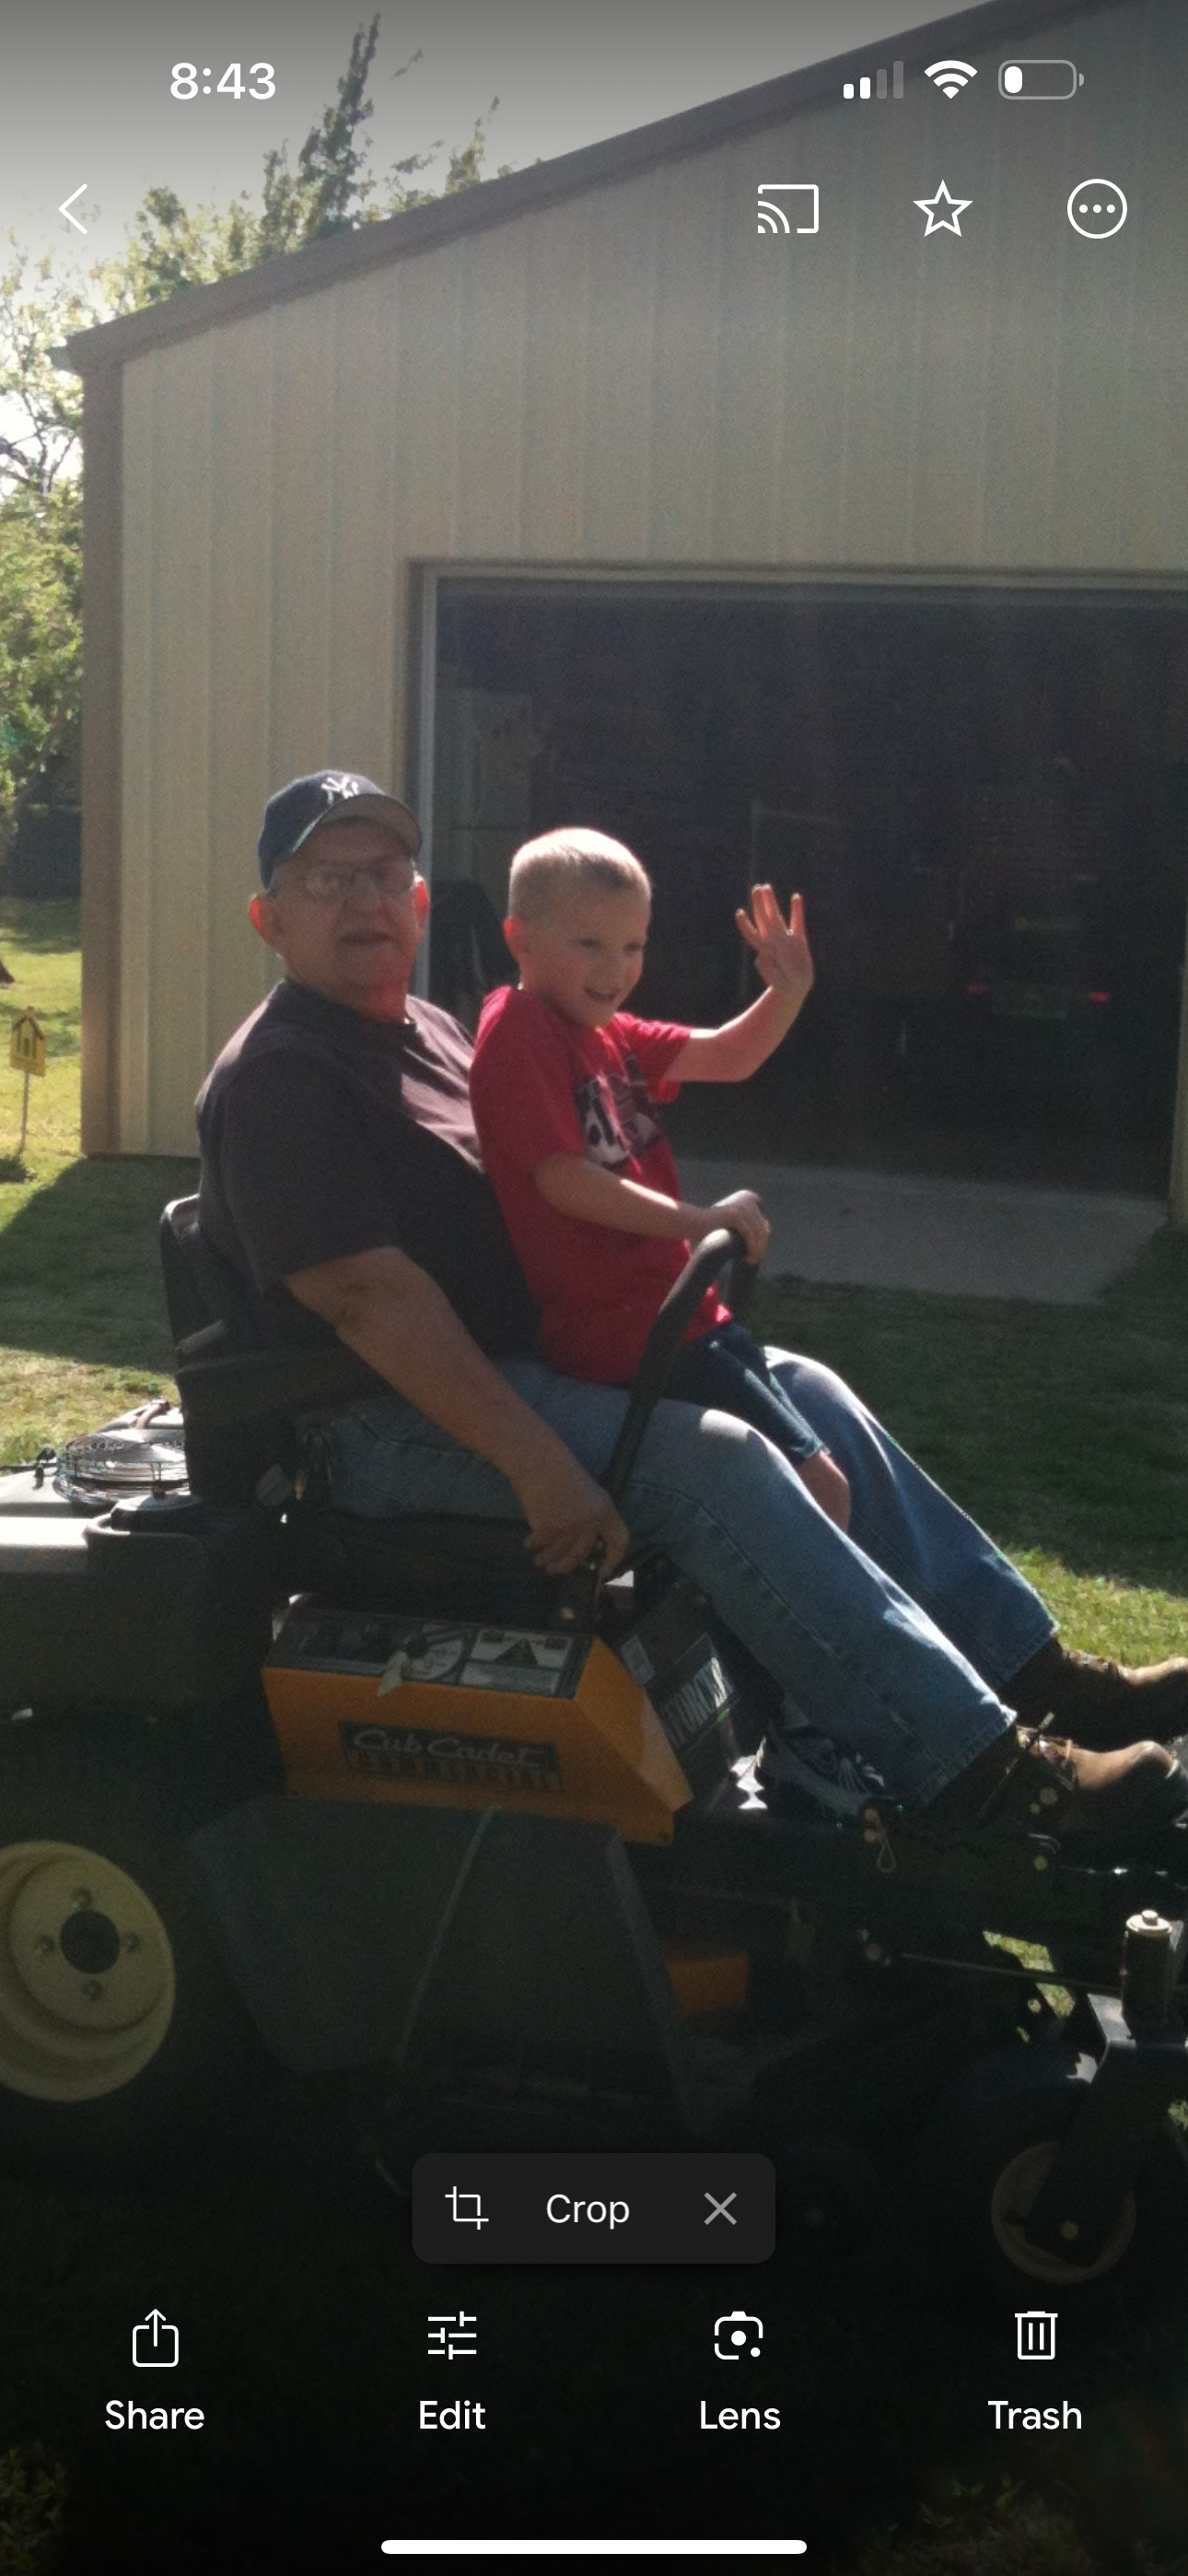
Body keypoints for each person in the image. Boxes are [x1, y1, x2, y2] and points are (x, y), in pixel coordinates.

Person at [195, 768, 1188, 1848]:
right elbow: (370, 1301)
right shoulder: (283, 1075)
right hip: (381, 1417)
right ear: (269, 917)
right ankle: (986, 1779)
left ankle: (1039, 1678)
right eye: (330, 879)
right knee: (707, 1459)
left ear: (425, 902)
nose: (367, 904)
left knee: (814, 1394)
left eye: (387, 875)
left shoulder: (433, 1035)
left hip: (526, 1365)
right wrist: (537, 1464)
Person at [468, 827, 850, 1532]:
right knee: (818, 1489)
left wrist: (789, 992)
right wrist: (699, 1220)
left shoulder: (608, 1033)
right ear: (520, 939)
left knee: (825, 1466)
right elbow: (564, 1182)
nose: (615, 968)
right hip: (625, 1334)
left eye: (633, 947)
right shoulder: (521, 1028)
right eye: (590, 944)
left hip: (683, 1316)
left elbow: (728, 1056)